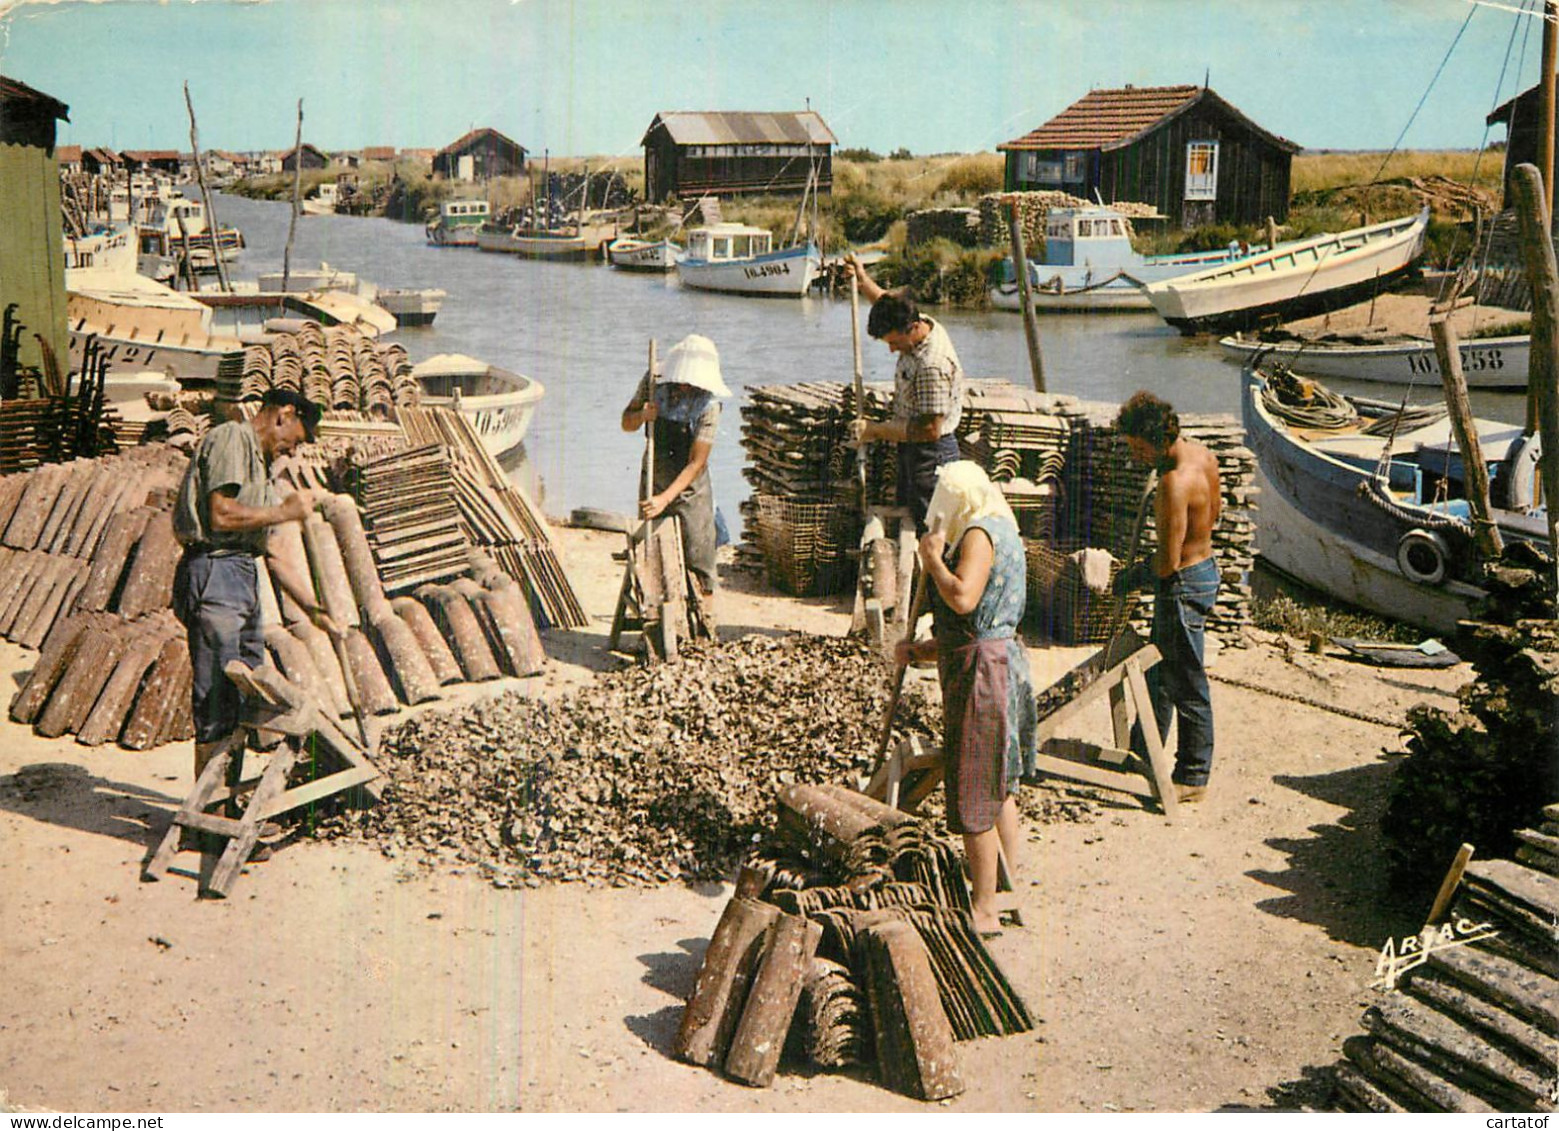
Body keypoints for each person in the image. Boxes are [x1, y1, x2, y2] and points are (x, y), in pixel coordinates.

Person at [896, 461, 1036, 937]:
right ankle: (1003, 887)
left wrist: (933, 560)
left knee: (976, 784)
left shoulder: (979, 534)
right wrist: (921, 650)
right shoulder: (1003, 524)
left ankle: (984, 908)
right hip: (996, 660)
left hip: (983, 674)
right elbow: (982, 625)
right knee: (1000, 783)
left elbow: (963, 600)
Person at [171, 388, 338, 786]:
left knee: (241, 697)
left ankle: (223, 803)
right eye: (296, 439)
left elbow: (274, 549)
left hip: (241, 576)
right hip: (215, 572)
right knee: (217, 697)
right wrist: (283, 510)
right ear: (284, 414)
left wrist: (312, 608)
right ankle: (207, 816)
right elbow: (221, 516)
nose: (293, 451)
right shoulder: (232, 437)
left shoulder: (261, 466)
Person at [1113, 391, 1223, 804]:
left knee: (1186, 681)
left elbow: (1166, 564)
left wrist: (1130, 577)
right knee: (1159, 672)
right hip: (1205, 569)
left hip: (1181, 585)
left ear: (1160, 441)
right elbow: (1214, 515)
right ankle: (1145, 754)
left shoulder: (1173, 484)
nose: (1136, 458)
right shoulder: (1204, 457)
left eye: (1139, 449)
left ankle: (1193, 774)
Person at [845, 254, 964, 533]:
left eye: (895, 343)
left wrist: (875, 430)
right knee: (907, 519)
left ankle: (930, 575)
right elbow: (889, 303)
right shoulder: (916, 319)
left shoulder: (930, 365)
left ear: (911, 329)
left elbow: (929, 430)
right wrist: (863, 282)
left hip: (931, 455)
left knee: (930, 529)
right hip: (912, 450)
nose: (891, 350)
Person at [620, 332, 728, 605]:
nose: (684, 389)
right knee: (649, 549)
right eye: (681, 382)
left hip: (690, 485)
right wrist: (643, 415)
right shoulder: (655, 380)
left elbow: (697, 461)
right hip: (656, 472)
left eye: (691, 385)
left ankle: (704, 616)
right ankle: (652, 613)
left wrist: (665, 499)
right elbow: (626, 422)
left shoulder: (709, 404)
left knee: (698, 555)